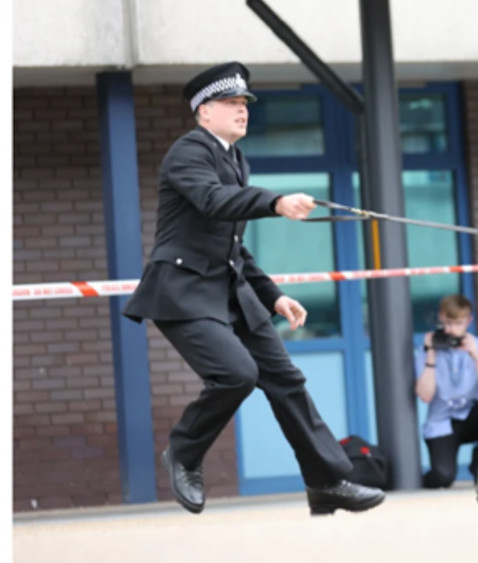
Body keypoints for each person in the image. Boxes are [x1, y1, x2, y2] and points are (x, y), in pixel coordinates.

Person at [122, 62, 384, 516]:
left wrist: (273, 296)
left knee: (286, 381)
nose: (242, 111)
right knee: (237, 374)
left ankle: (326, 482)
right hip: (184, 291)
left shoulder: (236, 159)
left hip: (230, 290)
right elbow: (213, 200)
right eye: (231, 103)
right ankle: (184, 452)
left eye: (244, 104)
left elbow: (234, 248)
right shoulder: (188, 152)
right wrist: (275, 201)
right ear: (204, 112)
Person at [414, 294, 478, 488]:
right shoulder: (425, 351)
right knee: (442, 477)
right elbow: (425, 395)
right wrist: (431, 354)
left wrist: (476, 357)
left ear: (469, 321)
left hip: (471, 417)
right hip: (442, 422)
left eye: (458, 324)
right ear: (440, 318)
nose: (452, 330)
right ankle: (425, 477)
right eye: (447, 323)